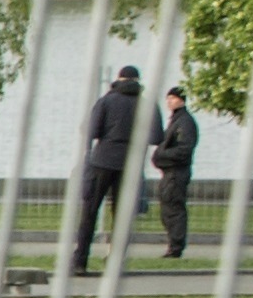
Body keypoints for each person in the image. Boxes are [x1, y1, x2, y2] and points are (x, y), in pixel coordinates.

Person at [73, 64, 144, 269]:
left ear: (119, 79)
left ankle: (80, 260)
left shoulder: (107, 100)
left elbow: (90, 130)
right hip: (130, 162)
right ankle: (116, 261)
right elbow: (156, 135)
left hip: (102, 161)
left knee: (90, 211)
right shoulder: (145, 104)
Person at [151, 81, 203, 260]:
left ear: (181, 100)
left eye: (173, 98)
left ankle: (176, 247)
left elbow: (184, 149)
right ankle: (173, 244)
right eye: (168, 99)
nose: (169, 102)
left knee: (174, 209)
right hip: (169, 173)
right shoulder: (176, 120)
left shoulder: (185, 122)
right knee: (167, 209)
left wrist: (161, 155)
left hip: (176, 173)